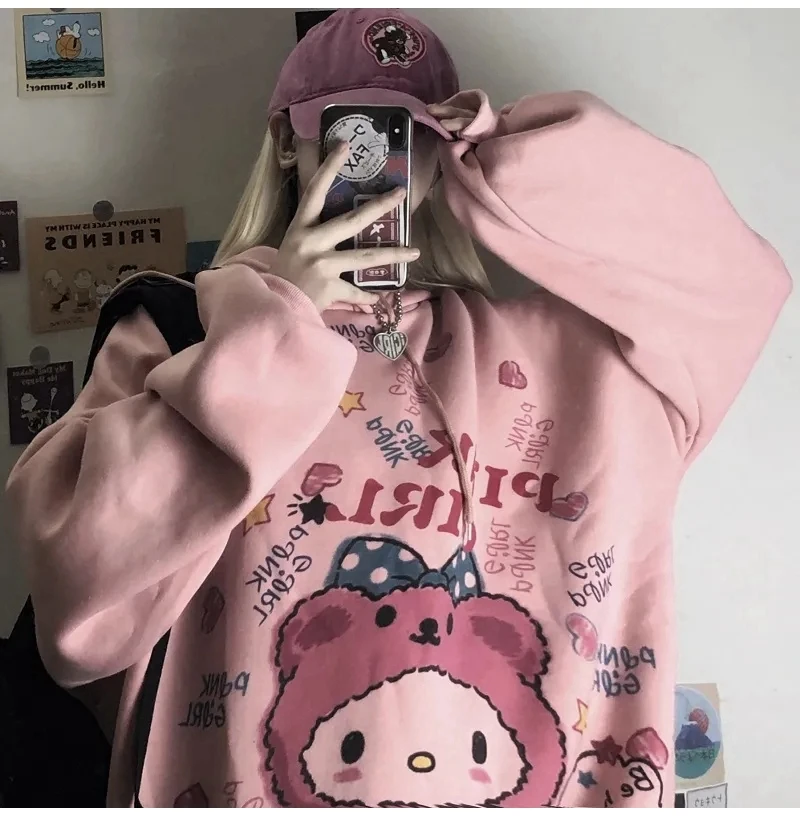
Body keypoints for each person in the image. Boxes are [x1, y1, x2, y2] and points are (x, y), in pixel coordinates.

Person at [5, 9, 790, 809]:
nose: (381, 163)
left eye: (410, 138)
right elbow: (77, 615)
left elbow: (739, 288)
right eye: (352, 132)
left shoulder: (571, 362)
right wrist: (274, 329)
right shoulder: (181, 334)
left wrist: (501, 155)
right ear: (288, 142)